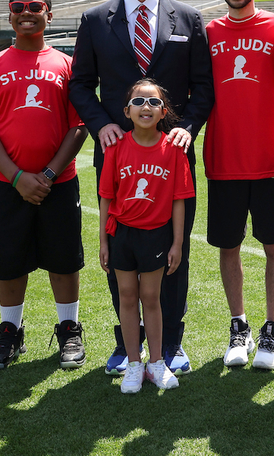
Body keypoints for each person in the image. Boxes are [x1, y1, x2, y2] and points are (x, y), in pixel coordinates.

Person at [69, 0, 214, 376]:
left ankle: (170, 343)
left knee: (173, 250)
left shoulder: (188, 18)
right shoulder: (96, 19)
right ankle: (126, 343)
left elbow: (204, 87)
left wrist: (186, 128)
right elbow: (78, 84)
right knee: (120, 249)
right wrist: (101, 125)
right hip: (118, 156)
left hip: (171, 159)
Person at [0, 0, 90, 371]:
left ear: (48, 15)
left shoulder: (68, 65)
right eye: (18, 7)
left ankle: (69, 329)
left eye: (35, 6)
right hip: (7, 184)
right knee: (9, 260)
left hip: (59, 182)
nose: (26, 11)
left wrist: (49, 173)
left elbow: (79, 125)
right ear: (10, 16)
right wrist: (17, 176)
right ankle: (10, 333)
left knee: (64, 259)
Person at [203, 0, 274, 370]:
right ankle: (238, 325)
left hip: (271, 159)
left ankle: (271, 329)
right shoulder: (207, 33)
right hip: (223, 159)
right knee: (229, 246)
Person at [98, 79, 194, 393]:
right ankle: (134, 364)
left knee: (151, 298)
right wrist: (103, 241)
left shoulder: (173, 149)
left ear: (163, 111)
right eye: (138, 102)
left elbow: (179, 199)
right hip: (122, 235)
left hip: (155, 235)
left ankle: (156, 363)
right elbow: (106, 197)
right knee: (127, 297)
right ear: (126, 111)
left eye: (153, 102)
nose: (145, 107)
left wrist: (177, 243)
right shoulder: (115, 148)